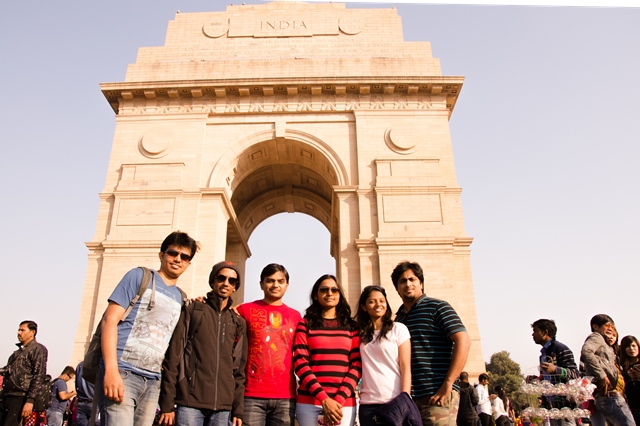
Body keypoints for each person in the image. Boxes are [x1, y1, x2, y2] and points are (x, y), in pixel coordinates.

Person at [97, 231, 198, 426]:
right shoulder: (139, 276)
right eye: (173, 253)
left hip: (153, 380)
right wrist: (111, 370)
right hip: (123, 372)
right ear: (162, 255)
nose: (178, 259)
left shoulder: (181, 297)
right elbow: (109, 320)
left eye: (184, 257)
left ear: (188, 263)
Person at [159, 261, 248, 426]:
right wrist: (167, 403)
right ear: (212, 281)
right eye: (221, 278)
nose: (226, 283)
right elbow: (173, 358)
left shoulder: (237, 322)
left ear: (236, 287)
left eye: (232, 281)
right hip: (190, 402)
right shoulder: (193, 310)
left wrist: (238, 409)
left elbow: (239, 370)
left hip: (223, 406)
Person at [392, 261, 471, 426]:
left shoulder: (438, 307)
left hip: (438, 392)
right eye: (402, 281)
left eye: (412, 279)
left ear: (421, 283)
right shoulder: (398, 318)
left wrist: (449, 383)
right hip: (411, 397)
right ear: (397, 288)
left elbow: (463, 340)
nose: (408, 284)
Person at [236, 263, 302, 426]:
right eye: (270, 280)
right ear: (261, 284)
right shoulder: (245, 310)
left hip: (285, 396)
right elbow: (220, 316)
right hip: (251, 394)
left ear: (287, 285)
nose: (275, 285)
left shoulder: (296, 316)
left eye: (280, 281)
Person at [293, 275, 361, 426]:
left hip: (343, 404)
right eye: (324, 290)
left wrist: (336, 401)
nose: (329, 293)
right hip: (310, 403)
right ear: (316, 296)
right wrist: (323, 399)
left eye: (334, 290)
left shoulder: (352, 326)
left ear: (339, 295)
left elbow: (356, 365)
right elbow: (300, 363)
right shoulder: (305, 324)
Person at [355, 285, 412, 426]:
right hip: (368, 404)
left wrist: (405, 397)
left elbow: (405, 367)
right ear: (363, 306)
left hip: (394, 401)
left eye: (382, 300)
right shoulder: (358, 333)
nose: (378, 304)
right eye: (372, 301)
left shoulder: (398, 329)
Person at [580, 314, 635, 426]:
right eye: (607, 326)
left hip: (613, 397)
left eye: (613, 327)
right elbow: (586, 351)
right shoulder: (596, 337)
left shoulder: (606, 344)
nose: (610, 329)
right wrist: (601, 376)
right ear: (596, 327)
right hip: (611, 397)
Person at [530, 319, 579, 426]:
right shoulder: (543, 354)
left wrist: (556, 369)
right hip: (551, 406)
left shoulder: (560, 348)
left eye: (535, 331)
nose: (532, 334)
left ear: (545, 332)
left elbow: (575, 374)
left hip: (564, 406)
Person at [0, 320, 48, 426]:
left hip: (21, 397)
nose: (19, 333)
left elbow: (39, 375)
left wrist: (30, 400)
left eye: (22, 330)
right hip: (7, 396)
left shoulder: (38, 349)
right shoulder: (16, 354)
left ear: (32, 332)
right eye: (18, 330)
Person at [619, 335, 640, 425]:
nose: (631, 349)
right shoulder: (620, 366)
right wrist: (627, 375)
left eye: (633, 346)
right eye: (628, 346)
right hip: (631, 407)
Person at [75, 361, 97, 426]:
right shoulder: (97, 364)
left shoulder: (80, 365)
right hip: (94, 402)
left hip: (81, 402)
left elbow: (77, 384)